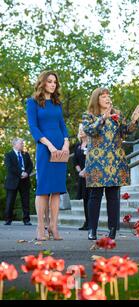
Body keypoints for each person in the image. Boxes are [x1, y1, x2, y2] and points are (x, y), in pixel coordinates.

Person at [82, 88, 139, 240]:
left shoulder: (117, 114)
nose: (107, 99)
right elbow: (89, 131)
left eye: (108, 96)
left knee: (113, 195)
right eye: (103, 97)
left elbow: (125, 132)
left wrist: (133, 121)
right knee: (95, 195)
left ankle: (113, 230)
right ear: (97, 99)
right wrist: (102, 118)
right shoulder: (88, 115)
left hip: (115, 160)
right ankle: (92, 230)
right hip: (96, 161)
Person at [26, 70, 69, 241]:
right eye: (50, 81)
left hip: (60, 147)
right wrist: (50, 145)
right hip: (45, 148)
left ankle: (53, 226)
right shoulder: (32, 102)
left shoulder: (57, 103)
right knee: (43, 189)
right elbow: (34, 127)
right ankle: (40, 227)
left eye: (55, 82)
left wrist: (65, 143)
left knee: (57, 190)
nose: (53, 84)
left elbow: (62, 125)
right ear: (42, 83)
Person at [3, 138, 33, 225]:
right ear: (14, 144)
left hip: (25, 181)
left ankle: (26, 220)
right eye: (21, 143)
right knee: (10, 201)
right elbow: (10, 167)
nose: (22, 145)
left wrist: (27, 173)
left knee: (25, 201)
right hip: (13, 181)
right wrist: (21, 173)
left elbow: (30, 165)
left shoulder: (25, 154)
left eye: (22, 143)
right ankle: (8, 219)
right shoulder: (8, 155)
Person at [73, 124, 89, 230]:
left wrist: (85, 170)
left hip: (90, 175)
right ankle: (87, 222)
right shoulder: (78, 145)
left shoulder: (91, 144)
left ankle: (92, 222)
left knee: (91, 199)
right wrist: (79, 171)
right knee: (85, 199)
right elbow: (75, 161)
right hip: (82, 176)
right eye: (80, 130)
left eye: (83, 129)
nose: (81, 131)